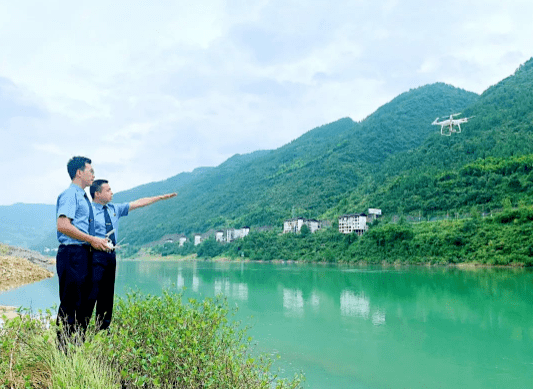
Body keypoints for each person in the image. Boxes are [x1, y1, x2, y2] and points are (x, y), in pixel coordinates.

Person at [88, 179, 177, 331]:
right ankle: (80, 329)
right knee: (91, 293)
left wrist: (160, 198)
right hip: (94, 255)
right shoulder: (87, 210)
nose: (112, 192)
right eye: (108, 190)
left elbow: (139, 203)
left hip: (110, 255)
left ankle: (102, 330)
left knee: (107, 294)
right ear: (97, 193)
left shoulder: (114, 208)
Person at [55, 157, 109, 346]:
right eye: (90, 171)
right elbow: (63, 225)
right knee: (70, 304)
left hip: (82, 253)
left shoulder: (82, 196)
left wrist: (94, 242)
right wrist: (92, 239)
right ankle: (63, 352)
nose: (93, 175)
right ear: (79, 173)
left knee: (82, 303)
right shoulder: (71, 195)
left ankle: (75, 348)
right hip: (72, 254)